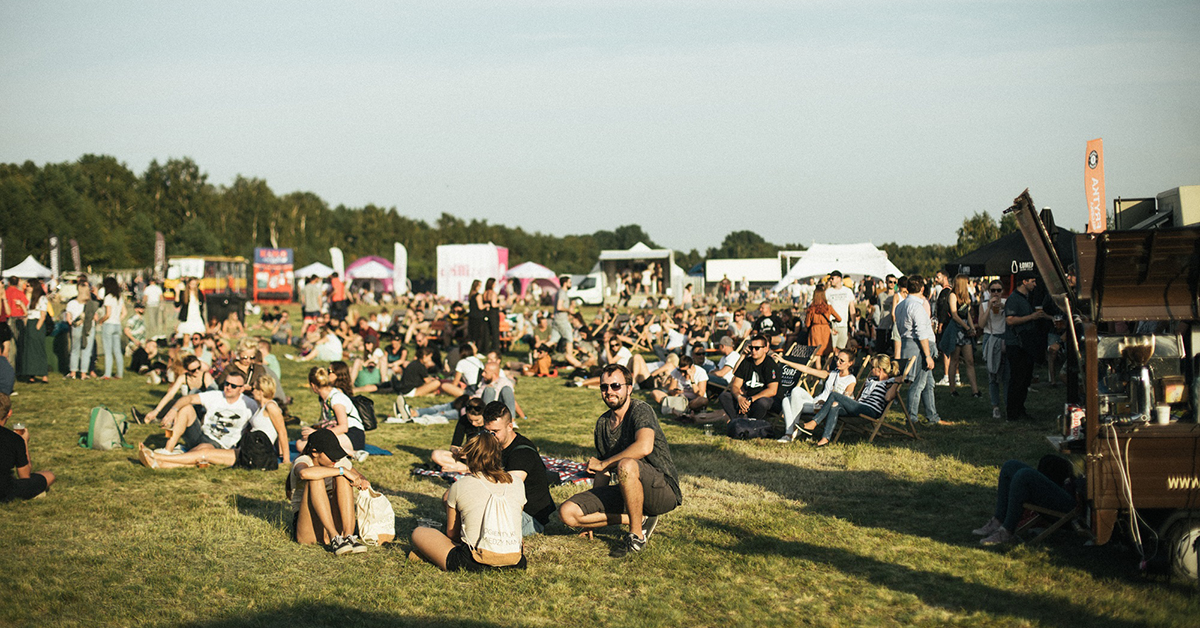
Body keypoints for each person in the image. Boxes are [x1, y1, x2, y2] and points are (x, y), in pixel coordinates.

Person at [558, 364, 682, 558]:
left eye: (616, 386)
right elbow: (603, 471)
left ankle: (636, 536)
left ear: (629, 388)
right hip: (628, 489)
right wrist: (590, 514)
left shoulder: (641, 410)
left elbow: (644, 447)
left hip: (662, 490)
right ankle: (637, 519)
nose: (609, 391)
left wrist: (603, 464)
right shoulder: (602, 424)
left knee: (626, 464)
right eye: (604, 387)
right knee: (568, 512)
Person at [410, 430, 528, 571]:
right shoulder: (517, 483)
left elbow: (452, 534)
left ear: (470, 457)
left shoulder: (460, 485)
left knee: (419, 532)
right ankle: (430, 556)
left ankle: (430, 555)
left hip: (474, 561)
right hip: (515, 560)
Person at [137, 376, 289, 470]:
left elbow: (282, 432)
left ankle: (158, 456)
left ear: (262, 391)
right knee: (204, 456)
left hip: (259, 453)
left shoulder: (270, 406)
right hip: (251, 449)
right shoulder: (259, 407)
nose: (251, 390)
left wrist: (286, 459)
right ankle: (160, 464)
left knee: (204, 453)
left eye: (254, 388)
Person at [287, 428, 370, 554]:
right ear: (315, 452)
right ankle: (334, 537)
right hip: (309, 527)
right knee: (315, 478)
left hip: (332, 516)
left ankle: (348, 536)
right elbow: (303, 473)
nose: (334, 460)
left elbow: (359, 477)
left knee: (343, 478)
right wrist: (342, 471)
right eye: (331, 455)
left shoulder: (336, 462)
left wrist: (362, 481)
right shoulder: (304, 460)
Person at [481, 401, 556, 535]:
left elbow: (508, 491)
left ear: (510, 426)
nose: (490, 436)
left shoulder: (522, 453)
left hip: (529, 517)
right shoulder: (496, 445)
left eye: (495, 432)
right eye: (487, 431)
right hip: (507, 508)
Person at [795, 354, 900, 447]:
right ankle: (825, 438)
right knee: (834, 404)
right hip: (859, 406)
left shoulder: (889, 382)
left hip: (870, 410)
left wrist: (896, 383)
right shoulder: (871, 380)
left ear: (879, 369)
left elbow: (888, 398)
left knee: (834, 395)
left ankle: (814, 422)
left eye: (872, 367)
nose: (870, 370)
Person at [973, 455, 1077, 546]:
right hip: (1068, 487)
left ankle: (1007, 532)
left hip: (1076, 507)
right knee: (1009, 466)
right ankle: (998, 521)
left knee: (1024, 476)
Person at [159, 368, 258, 455]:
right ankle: (168, 450)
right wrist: (173, 411)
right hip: (202, 435)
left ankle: (177, 456)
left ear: (241, 389)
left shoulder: (249, 404)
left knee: (204, 448)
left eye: (233, 386)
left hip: (220, 446)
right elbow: (189, 398)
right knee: (186, 408)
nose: (228, 388)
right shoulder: (216, 395)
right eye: (226, 384)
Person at [895, 275, 946, 426]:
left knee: (928, 383)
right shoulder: (917, 306)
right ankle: (912, 418)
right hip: (919, 345)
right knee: (918, 384)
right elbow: (922, 333)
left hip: (908, 342)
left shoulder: (901, 305)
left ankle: (932, 416)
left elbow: (899, 327)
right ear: (922, 288)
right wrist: (928, 355)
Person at [775, 349, 857, 442]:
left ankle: (789, 433)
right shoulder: (831, 374)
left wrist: (826, 403)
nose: (837, 362)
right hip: (815, 403)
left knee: (788, 400)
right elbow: (807, 369)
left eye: (841, 361)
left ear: (850, 363)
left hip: (824, 407)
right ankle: (795, 428)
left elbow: (844, 399)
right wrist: (784, 361)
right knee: (793, 393)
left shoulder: (851, 379)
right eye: (837, 359)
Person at [1004, 271, 1050, 422]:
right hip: (1016, 344)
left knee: (1025, 378)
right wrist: (1032, 317)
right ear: (1024, 282)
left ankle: (1020, 409)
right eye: (1032, 281)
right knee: (1017, 378)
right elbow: (1010, 320)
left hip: (1026, 344)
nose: (1035, 284)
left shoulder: (1026, 298)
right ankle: (1012, 413)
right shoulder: (1013, 299)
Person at [296, 366, 365, 455]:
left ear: (313, 385)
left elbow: (343, 427)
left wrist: (317, 433)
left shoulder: (336, 399)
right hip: (339, 433)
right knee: (301, 442)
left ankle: (353, 453)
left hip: (353, 435)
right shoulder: (324, 398)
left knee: (303, 445)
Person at [0, 393, 56, 501]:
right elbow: (24, 476)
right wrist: (24, 442)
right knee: (49, 475)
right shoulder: (14, 439)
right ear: (9, 413)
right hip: (4, 491)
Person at [133, 355, 217, 425]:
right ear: (187, 371)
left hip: (205, 409)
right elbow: (170, 395)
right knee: (174, 402)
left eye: (199, 368)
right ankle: (151, 417)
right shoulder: (184, 377)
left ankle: (154, 419)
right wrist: (156, 410)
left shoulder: (205, 376)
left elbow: (212, 396)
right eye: (193, 370)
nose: (197, 371)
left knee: (193, 393)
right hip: (192, 408)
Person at [718, 334, 779, 420]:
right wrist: (739, 398)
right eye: (751, 348)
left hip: (764, 399)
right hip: (747, 397)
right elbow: (735, 385)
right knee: (724, 396)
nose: (753, 351)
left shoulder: (770, 364)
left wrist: (750, 399)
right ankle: (739, 421)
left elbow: (772, 390)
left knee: (763, 402)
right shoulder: (746, 362)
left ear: (765, 349)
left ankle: (750, 423)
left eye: (757, 348)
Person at [937, 274, 980, 397]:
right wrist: (967, 327)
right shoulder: (952, 295)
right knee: (954, 360)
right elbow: (955, 315)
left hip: (965, 329)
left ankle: (975, 390)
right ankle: (952, 389)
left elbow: (968, 314)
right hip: (956, 329)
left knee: (969, 360)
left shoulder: (966, 296)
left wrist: (972, 327)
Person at [978, 280, 1009, 420]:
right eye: (993, 290)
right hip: (990, 337)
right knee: (992, 374)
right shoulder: (984, 305)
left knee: (1007, 374)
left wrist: (1004, 308)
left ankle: (1009, 405)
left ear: (1002, 291)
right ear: (989, 292)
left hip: (1004, 337)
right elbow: (981, 324)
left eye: (998, 290)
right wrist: (989, 307)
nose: (996, 293)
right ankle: (995, 406)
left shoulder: (1007, 303)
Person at [64, 280, 99, 380]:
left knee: (74, 350)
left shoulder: (72, 303)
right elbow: (95, 318)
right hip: (89, 328)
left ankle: (73, 372)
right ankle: (83, 374)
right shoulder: (92, 304)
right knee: (86, 351)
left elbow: (68, 319)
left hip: (77, 328)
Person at [18, 279, 50, 384]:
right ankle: (31, 374)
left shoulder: (42, 298)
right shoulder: (31, 298)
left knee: (38, 349)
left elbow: (43, 315)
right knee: (30, 350)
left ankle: (44, 374)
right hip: (30, 323)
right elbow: (27, 312)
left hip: (36, 324)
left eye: (29, 286)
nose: (27, 288)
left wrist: (37, 327)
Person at [805, 285, 840, 358]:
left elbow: (807, 324)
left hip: (815, 331)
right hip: (826, 331)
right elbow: (839, 318)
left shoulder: (811, 308)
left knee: (817, 356)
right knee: (827, 355)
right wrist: (832, 321)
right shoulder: (828, 307)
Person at [825, 271, 856, 351]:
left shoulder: (848, 291)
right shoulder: (828, 292)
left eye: (832, 278)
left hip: (844, 325)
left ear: (839, 279)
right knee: (832, 349)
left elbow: (852, 308)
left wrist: (853, 323)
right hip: (832, 325)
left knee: (841, 349)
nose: (830, 280)